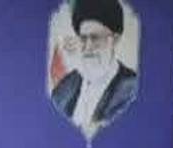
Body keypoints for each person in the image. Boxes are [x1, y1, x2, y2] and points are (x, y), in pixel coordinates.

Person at [50, 0, 138, 136]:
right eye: (83, 38)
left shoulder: (131, 89)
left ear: (115, 39)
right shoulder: (63, 90)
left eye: (95, 38)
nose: (88, 47)